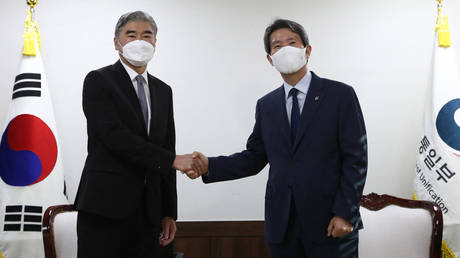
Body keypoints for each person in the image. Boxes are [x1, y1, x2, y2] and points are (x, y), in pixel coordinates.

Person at [184, 19, 368, 258]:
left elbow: (356, 158)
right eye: (277, 46)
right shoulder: (266, 105)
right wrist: (209, 165)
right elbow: (254, 157)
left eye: (292, 42)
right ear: (270, 59)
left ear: (307, 50)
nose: (285, 49)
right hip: (282, 227)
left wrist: (345, 212)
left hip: (331, 223)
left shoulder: (340, 95)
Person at [74, 11, 201, 258]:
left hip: (149, 211)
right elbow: (114, 136)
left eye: (147, 35)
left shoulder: (164, 90)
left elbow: (167, 145)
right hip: (104, 207)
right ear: (116, 42)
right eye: (131, 35)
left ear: (155, 43)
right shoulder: (98, 80)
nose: (139, 41)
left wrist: (168, 211)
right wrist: (171, 160)